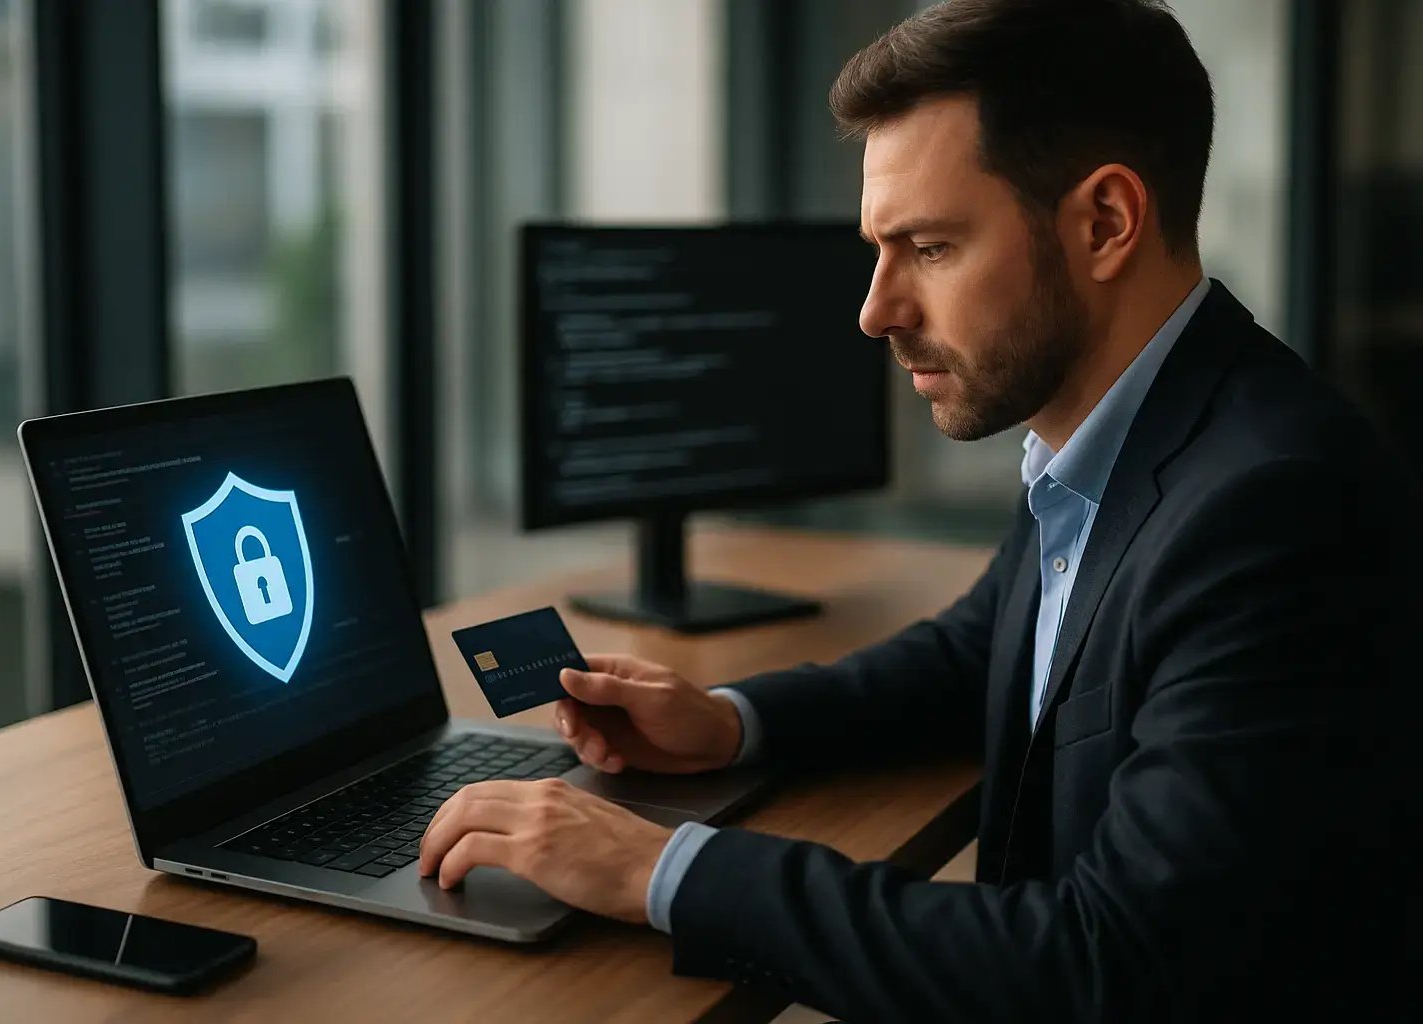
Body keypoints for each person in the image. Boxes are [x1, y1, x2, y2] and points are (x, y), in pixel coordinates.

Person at [419, 0, 1415, 1018]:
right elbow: (980, 653)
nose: (875, 309)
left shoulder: (1274, 506)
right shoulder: (1121, 431)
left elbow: (1113, 963)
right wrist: (728, 722)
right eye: (879, 249)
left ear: (1106, 223)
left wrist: (666, 871)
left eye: (929, 247)